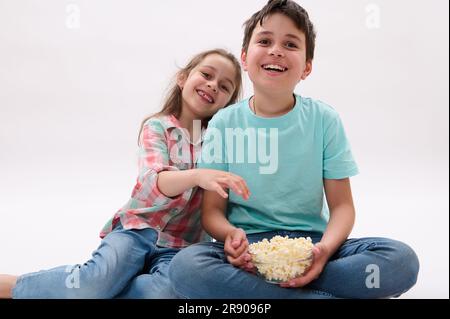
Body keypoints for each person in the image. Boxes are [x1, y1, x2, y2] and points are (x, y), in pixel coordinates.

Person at [168, 0, 420, 299]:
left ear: (307, 67)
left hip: (312, 245)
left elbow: (342, 207)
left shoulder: (324, 120)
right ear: (245, 59)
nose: (276, 50)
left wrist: (324, 250)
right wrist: (229, 236)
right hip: (247, 251)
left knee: (400, 260)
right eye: (265, 41)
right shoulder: (224, 122)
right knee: (186, 267)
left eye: (290, 44)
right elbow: (212, 212)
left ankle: (272, 293)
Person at [0, 48, 248, 299]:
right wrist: (198, 175)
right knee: (94, 282)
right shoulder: (158, 126)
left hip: (181, 246)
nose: (213, 85)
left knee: (163, 294)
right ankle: (16, 286)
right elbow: (153, 180)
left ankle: (99, 290)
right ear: (182, 78)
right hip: (137, 229)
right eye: (206, 74)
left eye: (225, 87)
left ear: (228, 103)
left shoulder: (220, 144)